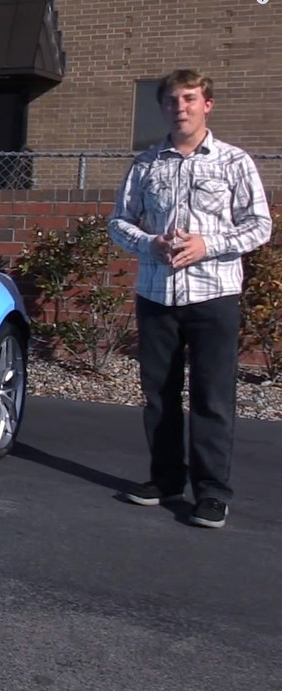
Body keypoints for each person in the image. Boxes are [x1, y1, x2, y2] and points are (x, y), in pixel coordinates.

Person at [107, 69, 273, 528]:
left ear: (207, 105)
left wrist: (206, 244)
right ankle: (164, 480)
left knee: (212, 398)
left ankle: (212, 493)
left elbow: (259, 226)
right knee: (158, 395)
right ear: (162, 108)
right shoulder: (145, 165)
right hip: (157, 296)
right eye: (171, 100)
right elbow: (120, 221)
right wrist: (149, 243)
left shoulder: (234, 162)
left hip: (213, 297)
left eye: (189, 99)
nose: (180, 107)